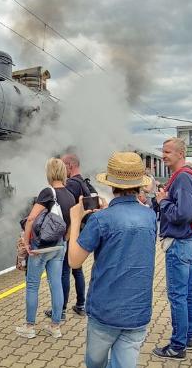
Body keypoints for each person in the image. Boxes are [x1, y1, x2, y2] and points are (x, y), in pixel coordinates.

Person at [67, 152, 156, 368]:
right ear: (138, 184)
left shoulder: (100, 219)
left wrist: (76, 219)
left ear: (112, 184)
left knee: (95, 362)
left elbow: (74, 261)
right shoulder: (150, 216)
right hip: (138, 311)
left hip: (106, 310)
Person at [152, 138, 192, 360]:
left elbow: (184, 214)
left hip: (180, 243)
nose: (163, 155)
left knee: (178, 295)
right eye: (163, 151)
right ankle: (188, 335)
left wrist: (162, 201)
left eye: (167, 152)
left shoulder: (182, 178)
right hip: (190, 241)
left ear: (181, 154)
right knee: (188, 292)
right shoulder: (188, 175)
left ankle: (177, 346)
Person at [16, 158, 73, 339]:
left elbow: (31, 219)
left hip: (41, 248)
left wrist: (25, 243)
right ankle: (55, 326)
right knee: (56, 285)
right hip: (59, 247)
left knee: (33, 285)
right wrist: (63, 242)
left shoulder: (47, 192)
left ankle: (29, 326)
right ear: (63, 172)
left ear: (49, 173)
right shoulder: (70, 196)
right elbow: (70, 225)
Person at [46, 153, 92, 318]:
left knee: (65, 271)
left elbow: (66, 210)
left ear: (70, 166)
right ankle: (80, 304)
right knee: (77, 270)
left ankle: (61, 309)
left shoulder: (71, 184)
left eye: (63, 166)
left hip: (69, 233)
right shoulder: (82, 182)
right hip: (79, 231)